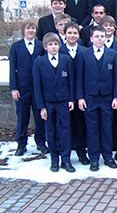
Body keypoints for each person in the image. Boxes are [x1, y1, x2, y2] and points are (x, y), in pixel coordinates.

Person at [76, 26, 117, 171]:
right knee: (92, 128)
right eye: (97, 36)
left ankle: (108, 157)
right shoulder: (83, 54)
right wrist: (80, 97)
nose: (100, 39)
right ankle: (94, 158)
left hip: (107, 97)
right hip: (90, 97)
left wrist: (116, 97)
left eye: (102, 36)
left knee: (107, 128)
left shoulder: (112, 54)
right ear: (91, 38)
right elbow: (79, 78)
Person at [33, 33, 75, 172]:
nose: (53, 47)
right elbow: (37, 87)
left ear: (59, 45)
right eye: (50, 44)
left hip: (63, 102)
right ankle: (54, 160)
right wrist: (41, 107)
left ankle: (66, 160)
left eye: (55, 44)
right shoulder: (39, 62)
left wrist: (71, 99)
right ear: (45, 47)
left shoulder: (66, 60)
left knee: (66, 131)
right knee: (50, 131)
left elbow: (71, 82)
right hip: (48, 103)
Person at [9, 19, 47, 156]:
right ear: (23, 30)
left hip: (38, 88)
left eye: (33, 28)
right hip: (22, 88)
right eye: (28, 28)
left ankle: (41, 142)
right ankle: (21, 144)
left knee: (40, 117)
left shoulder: (40, 46)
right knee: (22, 116)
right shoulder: (16, 47)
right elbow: (12, 69)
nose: (31, 31)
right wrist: (14, 88)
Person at [60, 22, 89, 164]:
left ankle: (82, 152)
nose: (72, 36)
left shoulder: (84, 51)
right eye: (69, 33)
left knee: (81, 124)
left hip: (82, 94)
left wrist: (81, 96)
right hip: (64, 94)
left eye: (75, 33)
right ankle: (66, 154)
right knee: (65, 125)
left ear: (78, 35)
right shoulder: (59, 51)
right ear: (64, 34)